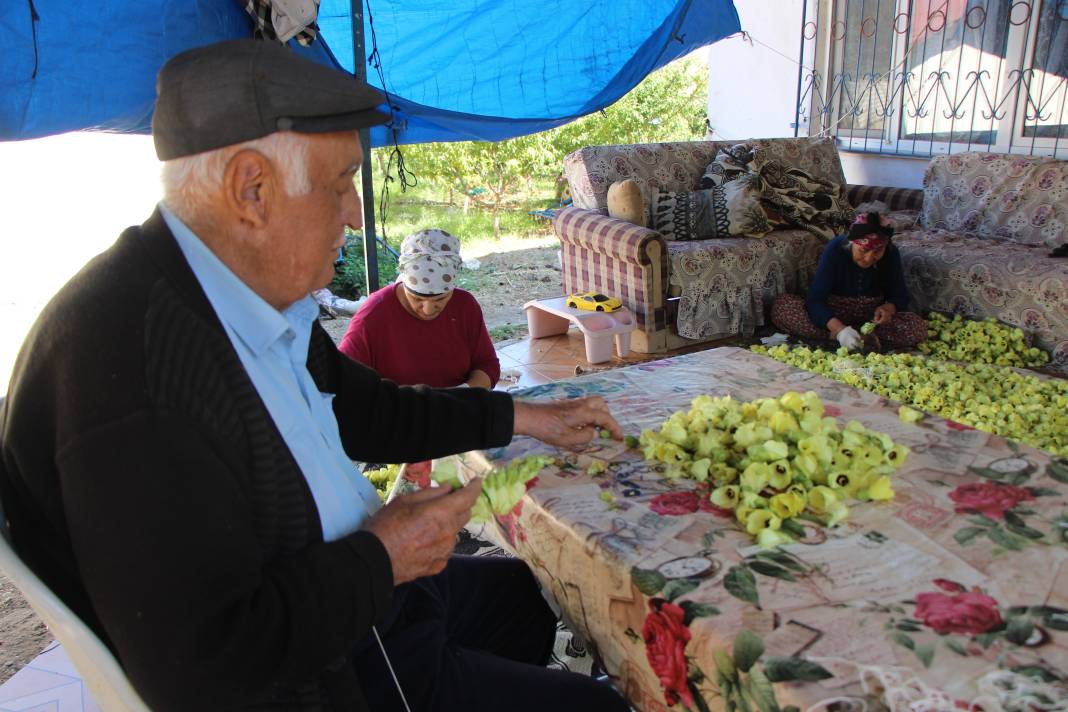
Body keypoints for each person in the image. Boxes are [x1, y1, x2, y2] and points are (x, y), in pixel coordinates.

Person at [0, 40, 630, 712]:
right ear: (252, 190)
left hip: (363, 593)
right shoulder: (133, 377)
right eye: (339, 185)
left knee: (530, 597)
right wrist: (384, 553)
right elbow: (205, 668)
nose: (357, 215)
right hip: (331, 669)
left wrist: (523, 417)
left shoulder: (239, 294)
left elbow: (370, 411)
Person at [340, 228, 499, 389]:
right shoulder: (372, 316)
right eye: (417, 298)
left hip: (458, 407)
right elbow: (344, 381)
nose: (428, 309)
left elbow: (487, 365)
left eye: (441, 299)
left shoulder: (465, 305)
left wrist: (462, 394)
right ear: (403, 283)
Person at [771, 209, 927, 351]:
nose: (868, 258)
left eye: (877, 252)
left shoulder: (891, 254)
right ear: (853, 242)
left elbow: (900, 296)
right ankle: (841, 337)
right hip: (834, 312)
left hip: (870, 317)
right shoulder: (835, 250)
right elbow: (815, 300)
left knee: (916, 327)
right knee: (783, 307)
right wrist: (839, 330)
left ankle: (859, 338)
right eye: (864, 250)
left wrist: (888, 308)